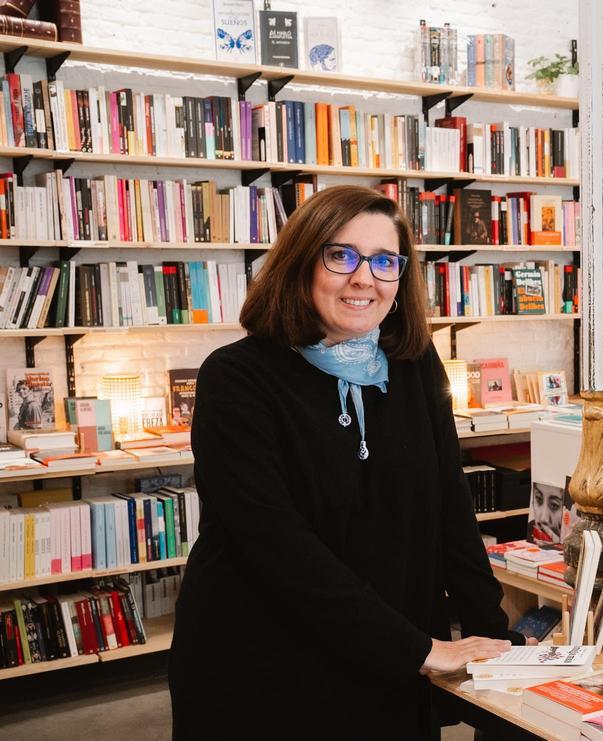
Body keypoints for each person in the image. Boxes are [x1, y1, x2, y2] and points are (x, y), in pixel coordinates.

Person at [168, 186, 518, 737]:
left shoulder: (415, 363)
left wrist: (499, 640)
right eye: (341, 255)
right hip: (267, 667)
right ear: (300, 263)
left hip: (392, 663)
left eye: (384, 261)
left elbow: (451, 508)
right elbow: (277, 546)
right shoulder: (236, 378)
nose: (364, 278)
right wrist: (421, 650)